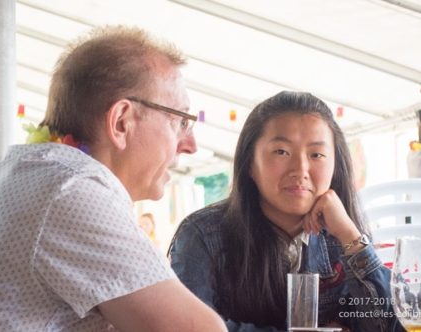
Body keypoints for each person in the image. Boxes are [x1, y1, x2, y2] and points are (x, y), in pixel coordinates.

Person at [0, 26, 226, 332]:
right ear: (121, 122)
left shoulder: (12, 175)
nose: (190, 144)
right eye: (180, 121)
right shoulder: (70, 189)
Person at [169, 91, 400, 332]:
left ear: (335, 165)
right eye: (281, 152)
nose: (300, 169)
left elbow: (383, 327)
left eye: (317, 155)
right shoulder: (203, 235)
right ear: (250, 163)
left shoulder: (342, 236)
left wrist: (351, 237)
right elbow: (187, 327)